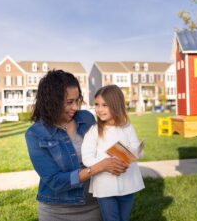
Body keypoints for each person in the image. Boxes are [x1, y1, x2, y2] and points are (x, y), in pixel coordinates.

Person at [25, 70, 128, 221]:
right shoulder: (35, 133)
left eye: (77, 100)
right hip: (56, 211)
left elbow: (106, 143)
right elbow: (55, 181)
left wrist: (123, 154)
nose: (75, 107)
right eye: (69, 102)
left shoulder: (86, 118)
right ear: (51, 101)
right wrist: (98, 167)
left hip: (93, 205)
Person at [81, 85, 145, 221]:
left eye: (105, 105)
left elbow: (136, 148)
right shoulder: (94, 131)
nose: (99, 109)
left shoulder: (127, 127)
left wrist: (134, 153)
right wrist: (105, 164)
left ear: (116, 105)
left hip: (128, 183)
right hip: (105, 186)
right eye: (97, 105)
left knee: (124, 218)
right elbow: (87, 158)